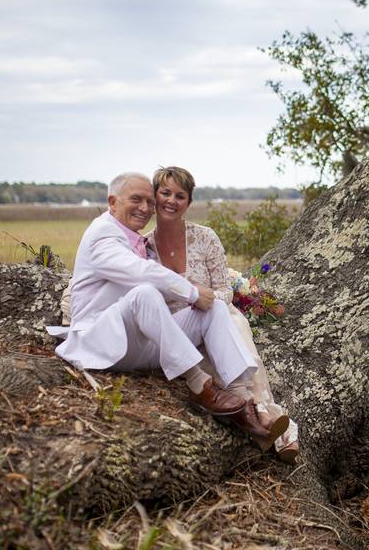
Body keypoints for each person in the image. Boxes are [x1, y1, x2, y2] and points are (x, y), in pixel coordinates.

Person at [52, 172, 288, 449]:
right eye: (136, 200)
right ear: (112, 202)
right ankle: (199, 384)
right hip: (103, 341)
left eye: (149, 202)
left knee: (214, 309)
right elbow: (138, 272)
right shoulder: (102, 233)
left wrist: (200, 298)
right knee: (144, 292)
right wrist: (191, 292)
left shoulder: (141, 240)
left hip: (139, 345)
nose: (144, 208)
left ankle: (242, 405)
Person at [148, 166, 300, 463]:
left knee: (234, 329)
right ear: (154, 197)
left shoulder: (205, 238)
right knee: (216, 364)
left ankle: (268, 422)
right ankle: (271, 425)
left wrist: (203, 299)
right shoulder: (145, 247)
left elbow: (224, 291)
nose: (171, 201)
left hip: (217, 312)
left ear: (189, 203)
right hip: (180, 328)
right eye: (165, 193)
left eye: (180, 196)